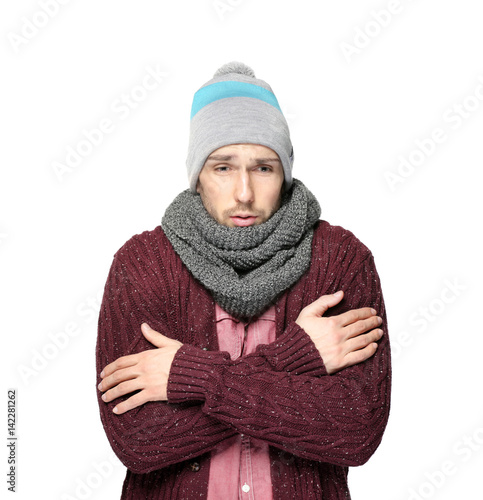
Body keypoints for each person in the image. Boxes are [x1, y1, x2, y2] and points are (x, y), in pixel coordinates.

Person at [96, 61, 391, 500]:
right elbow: (139, 440)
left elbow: (355, 429)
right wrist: (296, 357)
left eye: (263, 168)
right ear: (197, 174)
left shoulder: (340, 260)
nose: (244, 193)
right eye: (222, 167)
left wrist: (193, 378)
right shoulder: (142, 264)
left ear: (285, 172)